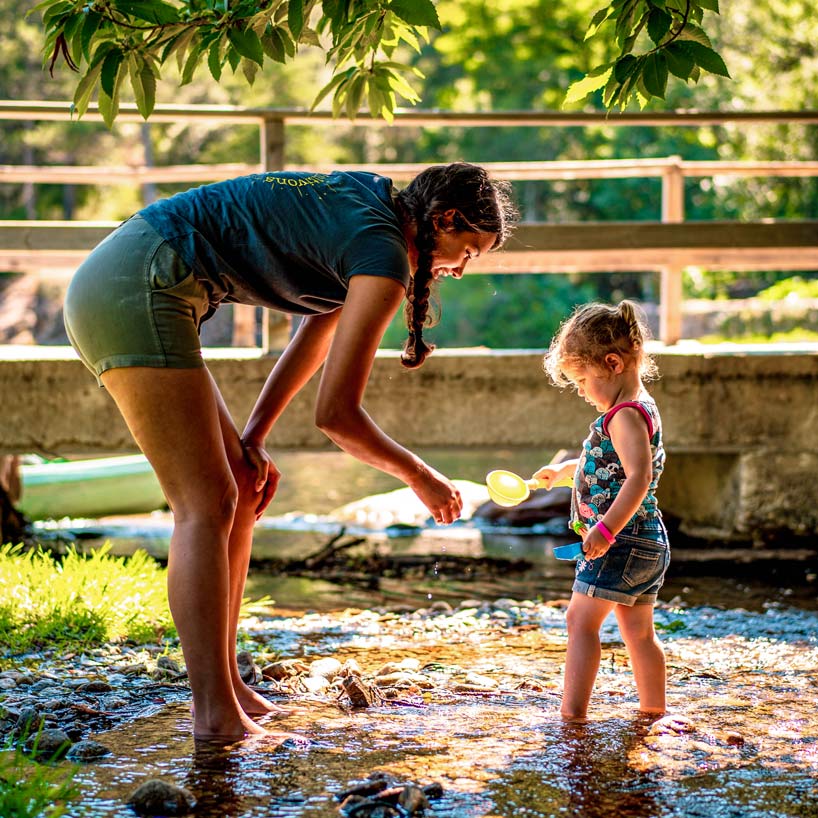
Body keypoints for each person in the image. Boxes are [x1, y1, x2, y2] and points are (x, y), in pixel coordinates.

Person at [62, 163, 518, 740]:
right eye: (467, 252)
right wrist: (420, 476)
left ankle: (227, 686)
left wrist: (252, 439)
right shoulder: (382, 253)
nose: (458, 269)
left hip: (133, 276)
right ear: (445, 220)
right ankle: (214, 714)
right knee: (205, 504)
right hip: (138, 284)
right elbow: (338, 416)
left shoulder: (369, 206)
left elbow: (314, 333)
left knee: (240, 485)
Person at [533, 300, 669, 722]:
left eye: (582, 380)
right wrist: (565, 471)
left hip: (621, 541)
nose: (580, 390)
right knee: (639, 634)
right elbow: (613, 465)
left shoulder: (624, 416)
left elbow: (639, 477)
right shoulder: (639, 408)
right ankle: (653, 711)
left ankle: (572, 717)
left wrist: (605, 531)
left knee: (580, 621)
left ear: (611, 363)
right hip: (647, 539)